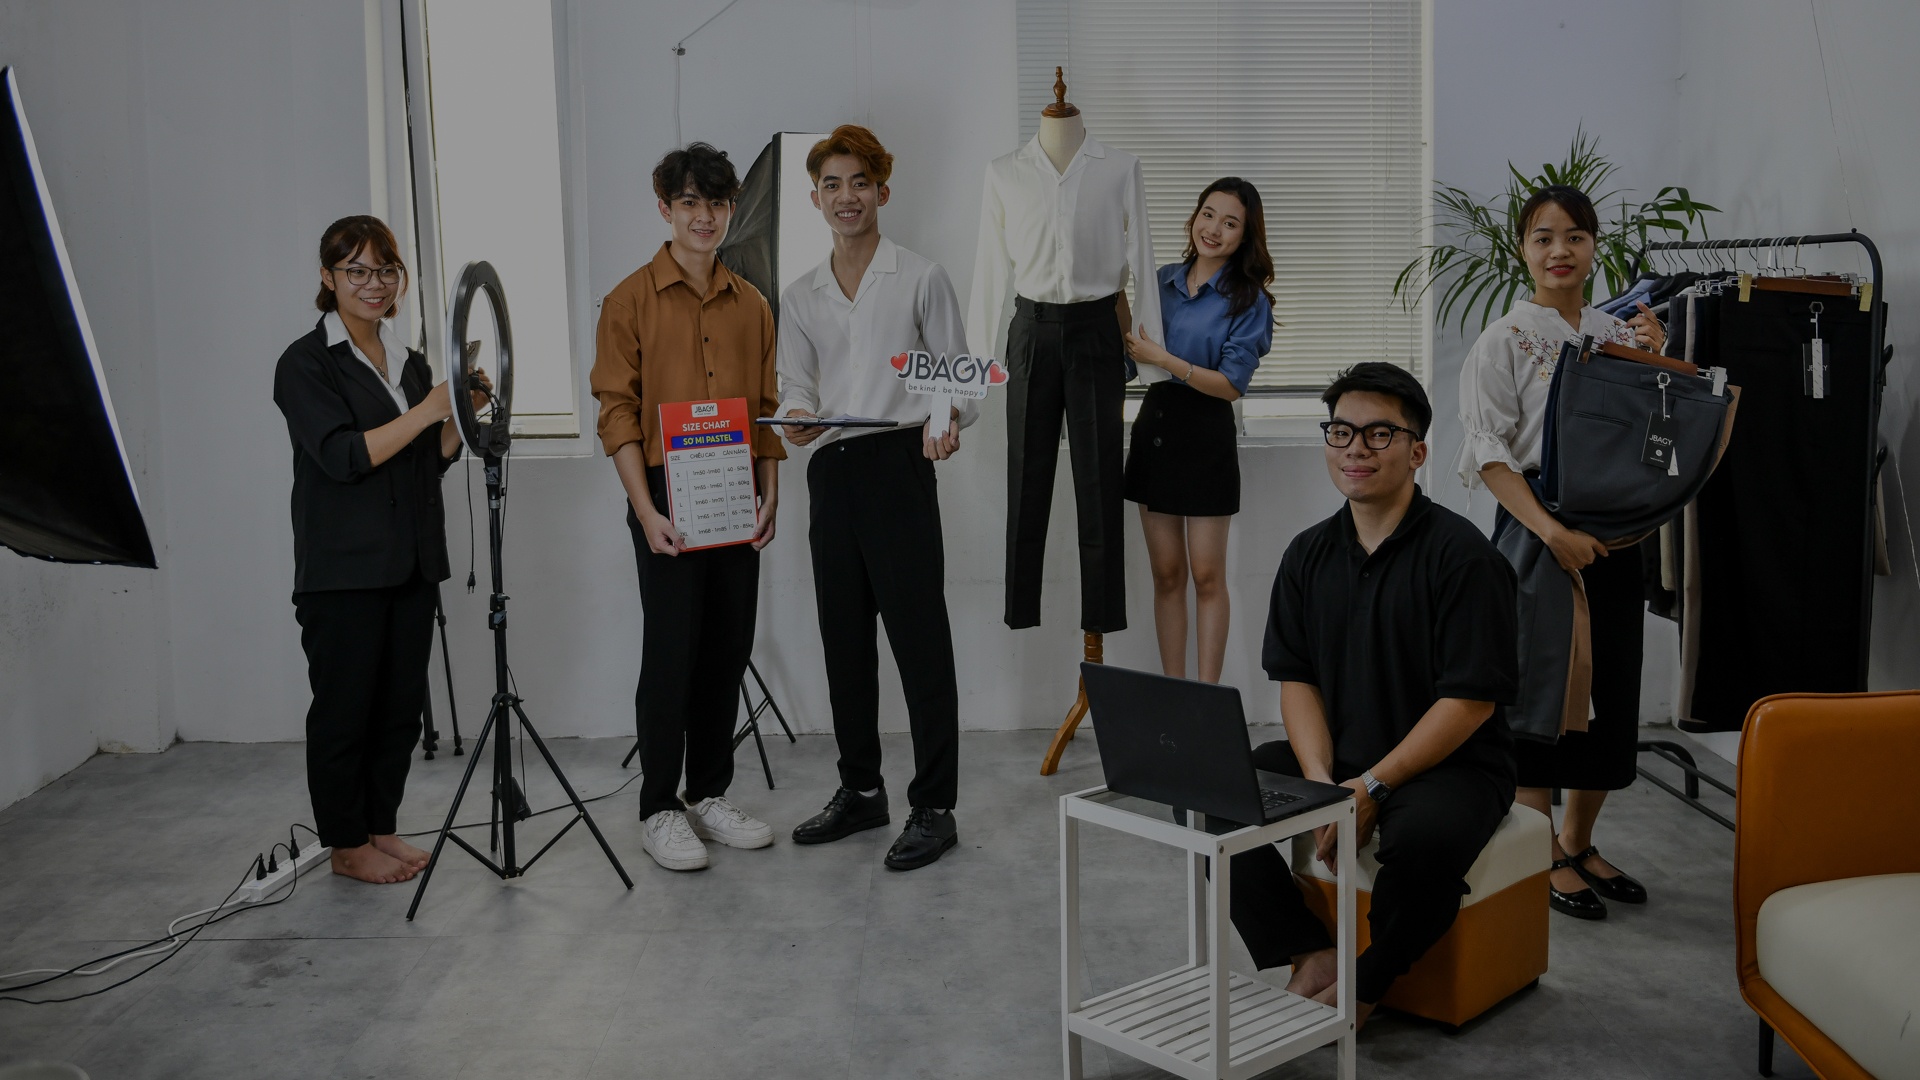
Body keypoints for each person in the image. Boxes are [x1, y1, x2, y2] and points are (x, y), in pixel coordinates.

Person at [1227, 363, 1520, 1028]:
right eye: (1341, 431)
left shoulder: (1465, 558)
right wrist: (1320, 783)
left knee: (1424, 843)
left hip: (1454, 764)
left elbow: (1470, 703)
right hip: (1343, 753)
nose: (1355, 448)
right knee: (1213, 791)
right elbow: (1296, 679)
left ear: (1417, 452)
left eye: (1379, 433)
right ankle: (1308, 952)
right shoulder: (1306, 555)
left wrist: (1371, 788)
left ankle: (1368, 982)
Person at [1456, 184, 1666, 920]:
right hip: (1537, 532)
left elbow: (1652, 437)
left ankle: (1579, 838)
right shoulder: (1503, 340)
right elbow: (1489, 454)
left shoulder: (1617, 332)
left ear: (1594, 247)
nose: (1559, 251)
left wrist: (1659, 364)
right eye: (1543, 237)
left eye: (1574, 236)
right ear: (1523, 249)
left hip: (1616, 536)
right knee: (1541, 697)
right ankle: (1540, 848)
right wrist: (1551, 533)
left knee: (1611, 690)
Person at [776, 125, 973, 871]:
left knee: (920, 642)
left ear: (882, 191)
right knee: (844, 641)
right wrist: (797, 416)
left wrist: (943, 423)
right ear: (816, 198)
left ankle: (935, 806)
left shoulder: (920, 277)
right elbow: (796, 384)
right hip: (831, 469)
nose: (846, 196)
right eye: (831, 184)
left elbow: (956, 377)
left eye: (859, 182)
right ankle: (861, 790)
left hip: (898, 463)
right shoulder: (800, 295)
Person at [589, 143, 785, 873]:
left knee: (727, 649)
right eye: (690, 203)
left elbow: (767, 410)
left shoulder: (753, 305)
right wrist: (645, 512)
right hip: (665, 492)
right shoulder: (628, 301)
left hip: (734, 488)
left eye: (718, 203)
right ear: (665, 208)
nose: (705, 217)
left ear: (732, 208)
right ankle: (658, 807)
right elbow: (617, 412)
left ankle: (708, 793)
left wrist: (771, 493)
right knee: (671, 651)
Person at [273, 215, 486, 884]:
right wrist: (427, 410)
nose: (374, 284)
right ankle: (345, 845)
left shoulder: (409, 360)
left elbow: (427, 462)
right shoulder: (306, 363)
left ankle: (380, 827)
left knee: (398, 711)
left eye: (386, 270)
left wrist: (462, 414)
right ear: (328, 277)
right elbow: (342, 457)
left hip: (411, 562)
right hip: (343, 571)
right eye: (357, 271)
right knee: (345, 714)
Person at [1121, 177, 1274, 682]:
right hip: (1156, 427)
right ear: (1194, 216)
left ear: (1245, 236)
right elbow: (1132, 360)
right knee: (1167, 575)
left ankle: (1206, 698)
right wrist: (1115, 292)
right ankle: (1175, 692)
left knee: (1208, 576)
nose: (1213, 229)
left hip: (1207, 433)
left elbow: (1230, 385)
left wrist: (1165, 359)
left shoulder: (1248, 299)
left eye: (1230, 223)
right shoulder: (1160, 280)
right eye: (1208, 214)